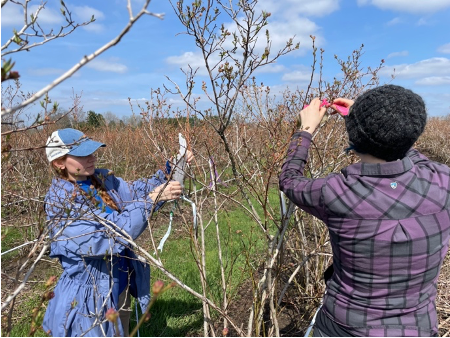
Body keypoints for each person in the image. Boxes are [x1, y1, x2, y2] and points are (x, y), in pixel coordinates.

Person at [279, 85, 450, 337]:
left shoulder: (336, 192)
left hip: (344, 327)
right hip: (419, 327)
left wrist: (305, 130)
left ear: (354, 138)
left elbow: (290, 180)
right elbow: (409, 152)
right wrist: (380, 126)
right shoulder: (443, 182)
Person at [42, 128, 193, 337]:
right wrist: (152, 200)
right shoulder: (60, 204)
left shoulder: (102, 180)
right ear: (59, 162)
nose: (91, 158)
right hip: (89, 298)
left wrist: (171, 168)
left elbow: (137, 191)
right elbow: (107, 235)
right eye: (82, 155)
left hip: (118, 286)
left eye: (92, 152)